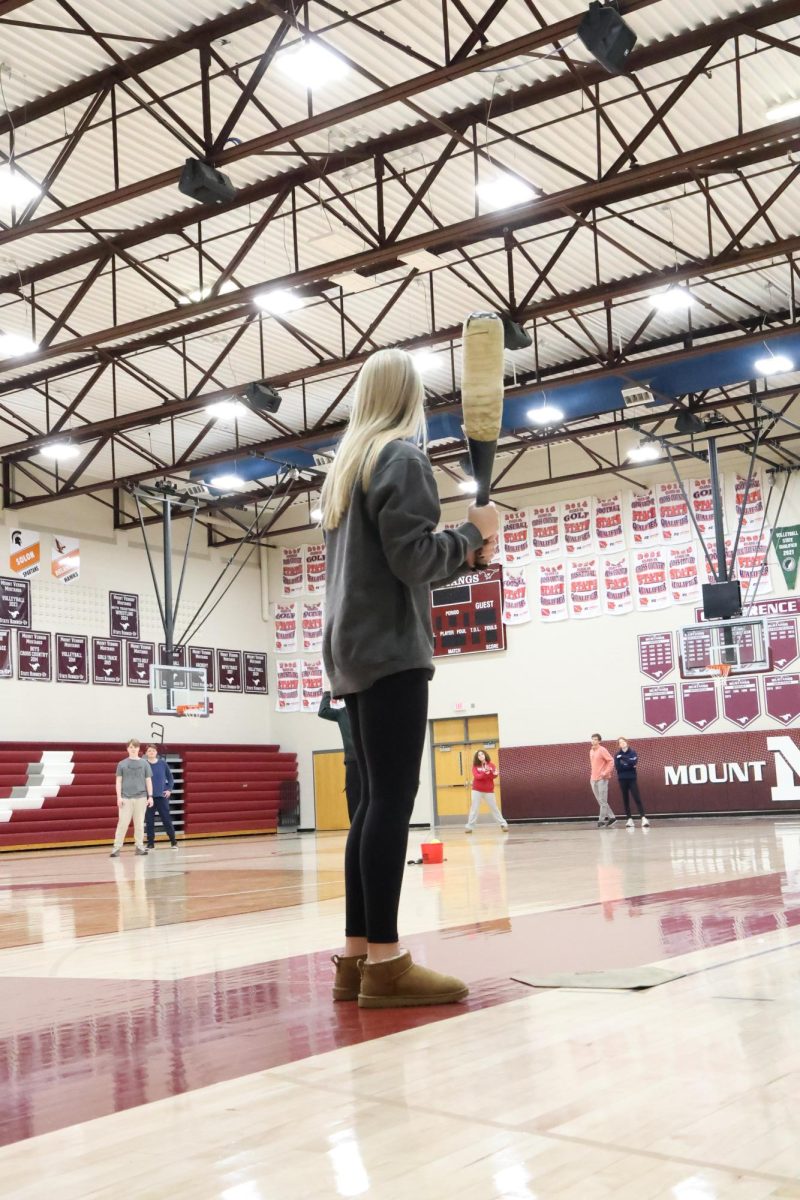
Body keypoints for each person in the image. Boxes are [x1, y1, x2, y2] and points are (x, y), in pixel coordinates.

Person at [321, 347, 499, 1008]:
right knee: (391, 802)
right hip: (390, 647)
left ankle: (357, 958)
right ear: (410, 398)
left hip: (350, 648)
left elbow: (395, 555)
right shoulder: (401, 457)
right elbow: (413, 558)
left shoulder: (347, 467)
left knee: (370, 802)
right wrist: (471, 532)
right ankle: (389, 965)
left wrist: (465, 546)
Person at [318, 691, 361, 824]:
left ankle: (365, 825)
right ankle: (355, 825)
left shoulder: (354, 712)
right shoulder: (342, 713)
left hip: (363, 760)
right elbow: (323, 711)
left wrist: (327, 694)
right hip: (353, 760)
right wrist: (327, 694)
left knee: (365, 795)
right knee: (354, 796)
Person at [110, 738, 153, 857]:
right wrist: (119, 797)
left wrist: (150, 796)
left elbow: (148, 780)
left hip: (141, 797)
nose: (133, 749)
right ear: (127, 749)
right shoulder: (122, 764)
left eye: (135, 747)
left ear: (139, 749)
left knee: (139, 823)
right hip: (126, 798)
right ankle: (117, 847)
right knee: (122, 823)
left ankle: (139, 846)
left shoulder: (144, 764)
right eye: (131, 747)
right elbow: (118, 781)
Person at [465, 749, 508, 833]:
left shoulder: (491, 765)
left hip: (489, 791)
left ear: (485, 755)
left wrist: (494, 773)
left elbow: (493, 777)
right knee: (474, 808)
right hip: (476, 790)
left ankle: (503, 824)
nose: (481, 756)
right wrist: (485, 772)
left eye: (482, 754)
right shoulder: (475, 766)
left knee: (494, 808)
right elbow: (477, 777)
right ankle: (469, 826)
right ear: (477, 757)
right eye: (479, 755)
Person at [144, 744, 178, 849]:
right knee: (149, 820)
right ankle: (150, 843)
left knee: (166, 819)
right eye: (149, 751)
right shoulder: (144, 764)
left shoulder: (163, 763)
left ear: (156, 752)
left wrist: (169, 789)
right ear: (146, 753)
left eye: (153, 751)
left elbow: (170, 778)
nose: (151, 753)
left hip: (162, 797)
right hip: (149, 798)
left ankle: (173, 841)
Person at [614, 738, 650, 829]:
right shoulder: (617, 754)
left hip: (632, 778)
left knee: (637, 797)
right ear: (619, 745)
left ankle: (643, 818)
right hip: (622, 779)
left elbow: (633, 762)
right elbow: (618, 767)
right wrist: (628, 764)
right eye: (620, 742)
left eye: (623, 741)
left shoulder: (632, 752)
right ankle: (629, 819)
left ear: (627, 742)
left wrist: (623, 759)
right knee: (625, 799)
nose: (622, 743)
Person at [589, 733, 616, 828]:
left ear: (599, 741)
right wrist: (592, 775)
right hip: (593, 779)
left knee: (603, 800)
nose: (593, 741)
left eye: (595, 739)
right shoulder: (591, 751)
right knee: (600, 800)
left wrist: (605, 772)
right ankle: (612, 817)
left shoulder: (602, 750)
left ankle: (601, 820)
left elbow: (611, 761)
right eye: (592, 739)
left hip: (602, 779)